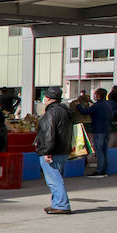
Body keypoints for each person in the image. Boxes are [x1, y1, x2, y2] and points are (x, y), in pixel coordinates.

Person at [35, 86, 73, 215]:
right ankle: (56, 203)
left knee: (54, 180)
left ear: (47, 98)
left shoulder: (51, 112)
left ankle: (62, 205)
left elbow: (49, 133)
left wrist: (47, 151)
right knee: (57, 178)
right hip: (63, 149)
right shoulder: (65, 111)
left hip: (53, 150)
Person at [75, 88, 113, 177]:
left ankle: (100, 170)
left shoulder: (97, 105)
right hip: (107, 130)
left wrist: (78, 105)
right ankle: (104, 169)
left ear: (98, 95)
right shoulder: (108, 105)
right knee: (104, 151)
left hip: (98, 130)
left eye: (95, 94)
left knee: (99, 151)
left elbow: (85, 112)